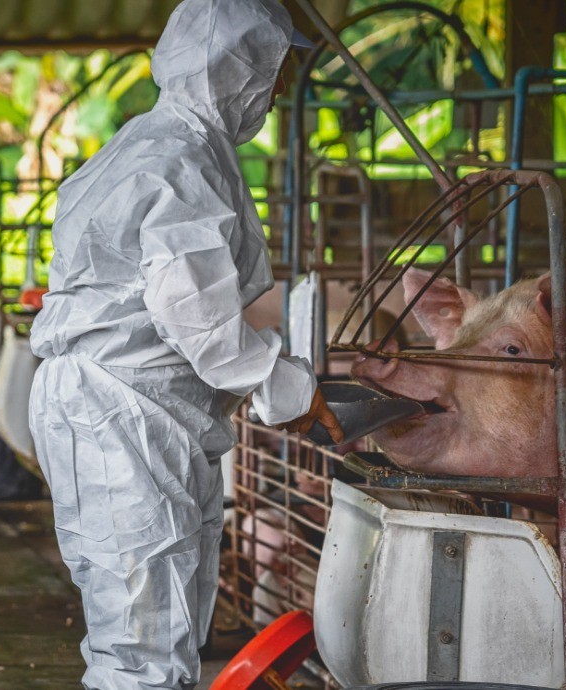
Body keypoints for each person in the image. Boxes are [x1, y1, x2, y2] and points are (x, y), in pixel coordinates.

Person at [26, 0, 342, 687]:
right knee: (141, 644)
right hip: (121, 411)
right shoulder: (180, 159)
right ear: (241, 69)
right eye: (273, 70)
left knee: (165, 626)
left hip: (141, 409)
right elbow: (194, 310)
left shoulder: (161, 144)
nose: (280, 88)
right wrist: (288, 386)